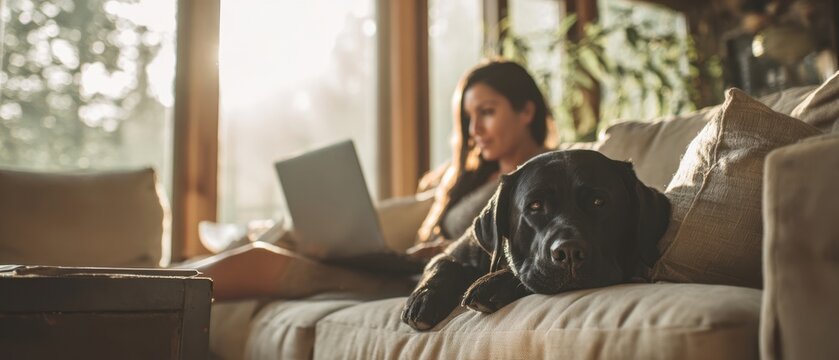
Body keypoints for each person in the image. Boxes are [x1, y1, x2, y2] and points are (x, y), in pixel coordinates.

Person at [187, 58, 557, 300]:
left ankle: (167, 280)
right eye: (468, 119)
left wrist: (443, 252)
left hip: (420, 282)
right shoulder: (475, 177)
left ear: (526, 110)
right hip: (404, 266)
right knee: (288, 240)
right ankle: (247, 234)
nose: (474, 129)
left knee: (261, 260)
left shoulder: (542, 177)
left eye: (486, 113)